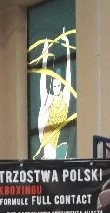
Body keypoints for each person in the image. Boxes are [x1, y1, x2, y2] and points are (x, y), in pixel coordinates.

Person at [34, 30, 73, 160]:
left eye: (59, 85)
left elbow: (68, 74)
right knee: (53, 158)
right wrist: (45, 55)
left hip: (60, 137)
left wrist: (68, 48)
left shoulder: (65, 97)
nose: (57, 88)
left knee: (63, 155)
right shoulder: (48, 98)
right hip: (48, 137)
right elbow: (43, 77)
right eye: (55, 86)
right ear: (51, 87)